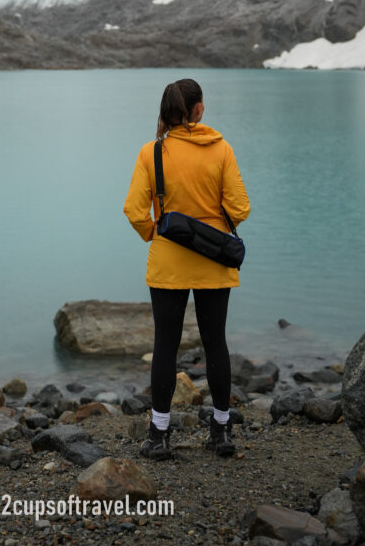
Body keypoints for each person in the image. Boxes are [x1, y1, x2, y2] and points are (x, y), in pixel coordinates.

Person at [123, 78, 251, 459]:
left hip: (168, 263)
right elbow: (240, 208)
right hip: (215, 261)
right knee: (216, 343)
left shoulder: (153, 152)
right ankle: (222, 431)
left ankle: (159, 434)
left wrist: (156, 234)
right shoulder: (221, 149)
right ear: (197, 110)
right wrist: (214, 222)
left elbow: (133, 210)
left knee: (166, 344)